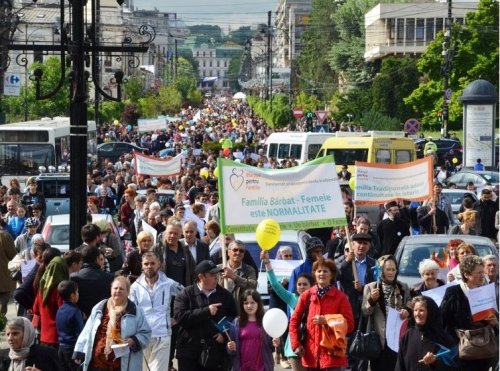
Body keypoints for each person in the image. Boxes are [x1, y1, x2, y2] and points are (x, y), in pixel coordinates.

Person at [73, 276, 151, 371]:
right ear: (111, 290)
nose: (118, 291)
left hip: (121, 365)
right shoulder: (100, 307)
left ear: (128, 292)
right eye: (115, 288)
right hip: (97, 363)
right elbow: (88, 330)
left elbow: (146, 333)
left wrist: (134, 340)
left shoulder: (136, 311)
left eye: (122, 289)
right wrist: (79, 350)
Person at [290, 258, 355, 370]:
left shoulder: (341, 297)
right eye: (319, 271)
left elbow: (350, 325)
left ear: (332, 274)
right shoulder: (306, 295)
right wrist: (296, 344)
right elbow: (294, 321)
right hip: (310, 355)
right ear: (314, 274)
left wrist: (328, 320)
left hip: (332, 357)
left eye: (325, 271)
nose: (322, 274)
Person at [173, 260, 238, 371]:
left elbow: (234, 318)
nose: (216, 278)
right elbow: (180, 317)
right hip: (189, 352)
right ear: (201, 276)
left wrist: (223, 334)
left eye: (217, 274)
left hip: (215, 353)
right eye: (212, 275)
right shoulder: (185, 294)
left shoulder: (225, 295)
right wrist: (206, 311)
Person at [441, 255, 498, 371]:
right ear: (466, 274)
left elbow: (495, 322)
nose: (482, 275)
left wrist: (495, 322)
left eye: (483, 272)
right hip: (460, 353)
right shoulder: (453, 292)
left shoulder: (487, 291)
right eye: (478, 272)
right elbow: (442, 320)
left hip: (483, 351)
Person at [129, 251, 184, 371]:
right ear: (142, 265)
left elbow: (186, 296)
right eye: (146, 264)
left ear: (158, 264)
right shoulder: (135, 287)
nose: (149, 266)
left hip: (162, 335)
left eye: (152, 263)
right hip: (143, 335)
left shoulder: (169, 283)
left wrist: (177, 318)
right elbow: (131, 311)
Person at [261, 250, 314, 371]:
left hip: (312, 345)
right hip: (294, 347)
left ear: (311, 286)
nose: (301, 286)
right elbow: (275, 284)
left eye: (305, 284)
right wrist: (267, 263)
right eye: (299, 284)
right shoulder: (292, 298)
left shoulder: (316, 300)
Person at [362, 254, 411, 371]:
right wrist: (372, 300)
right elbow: (365, 311)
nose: (391, 272)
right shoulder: (371, 287)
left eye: (393, 269)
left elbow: (410, 303)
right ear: (381, 270)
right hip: (379, 339)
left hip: (398, 337)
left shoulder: (402, 287)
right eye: (388, 269)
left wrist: (408, 310)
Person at [395, 296, 456, 371]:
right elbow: (400, 365)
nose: (417, 314)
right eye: (415, 310)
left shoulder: (444, 339)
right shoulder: (407, 336)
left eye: (421, 310)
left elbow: (454, 366)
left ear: (431, 312)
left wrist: (435, 362)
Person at [227, 289, 280, 371]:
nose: (249, 306)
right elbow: (231, 349)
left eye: (252, 302)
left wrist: (276, 343)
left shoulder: (266, 321)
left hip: (263, 367)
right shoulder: (236, 322)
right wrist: (230, 347)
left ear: (258, 304)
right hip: (242, 368)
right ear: (242, 305)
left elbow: (272, 345)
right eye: (246, 303)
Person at [32, 249, 68, 347]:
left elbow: (35, 309)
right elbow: (64, 313)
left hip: (44, 336)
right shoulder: (60, 291)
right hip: (58, 338)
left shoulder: (42, 288)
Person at [71, 245, 114, 317]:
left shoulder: (74, 277)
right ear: (97, 259)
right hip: (102, 317)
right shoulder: (109, 277)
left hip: (81, 317)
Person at [218, 240, 257, 306]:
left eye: (241, 251)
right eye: (235, 250)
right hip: (222, 308)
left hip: (240, 309)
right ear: (228, 252)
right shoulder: (218, 269)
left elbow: (253, 286)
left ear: (244, 254)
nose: (238, 252)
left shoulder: (249, 270)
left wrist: (234, 277)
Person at [56, 280, 84, 371]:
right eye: (77, 292)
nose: (78, 294)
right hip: (72, 349)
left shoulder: (59, 309)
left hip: (61, 347)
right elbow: (81, 333)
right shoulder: (75, 311)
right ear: (72, 295)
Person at [0, 230, 17, 315]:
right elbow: (13, 255)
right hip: (4, 274)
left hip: (3, 274)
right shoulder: (4, 236)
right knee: (4, 296)